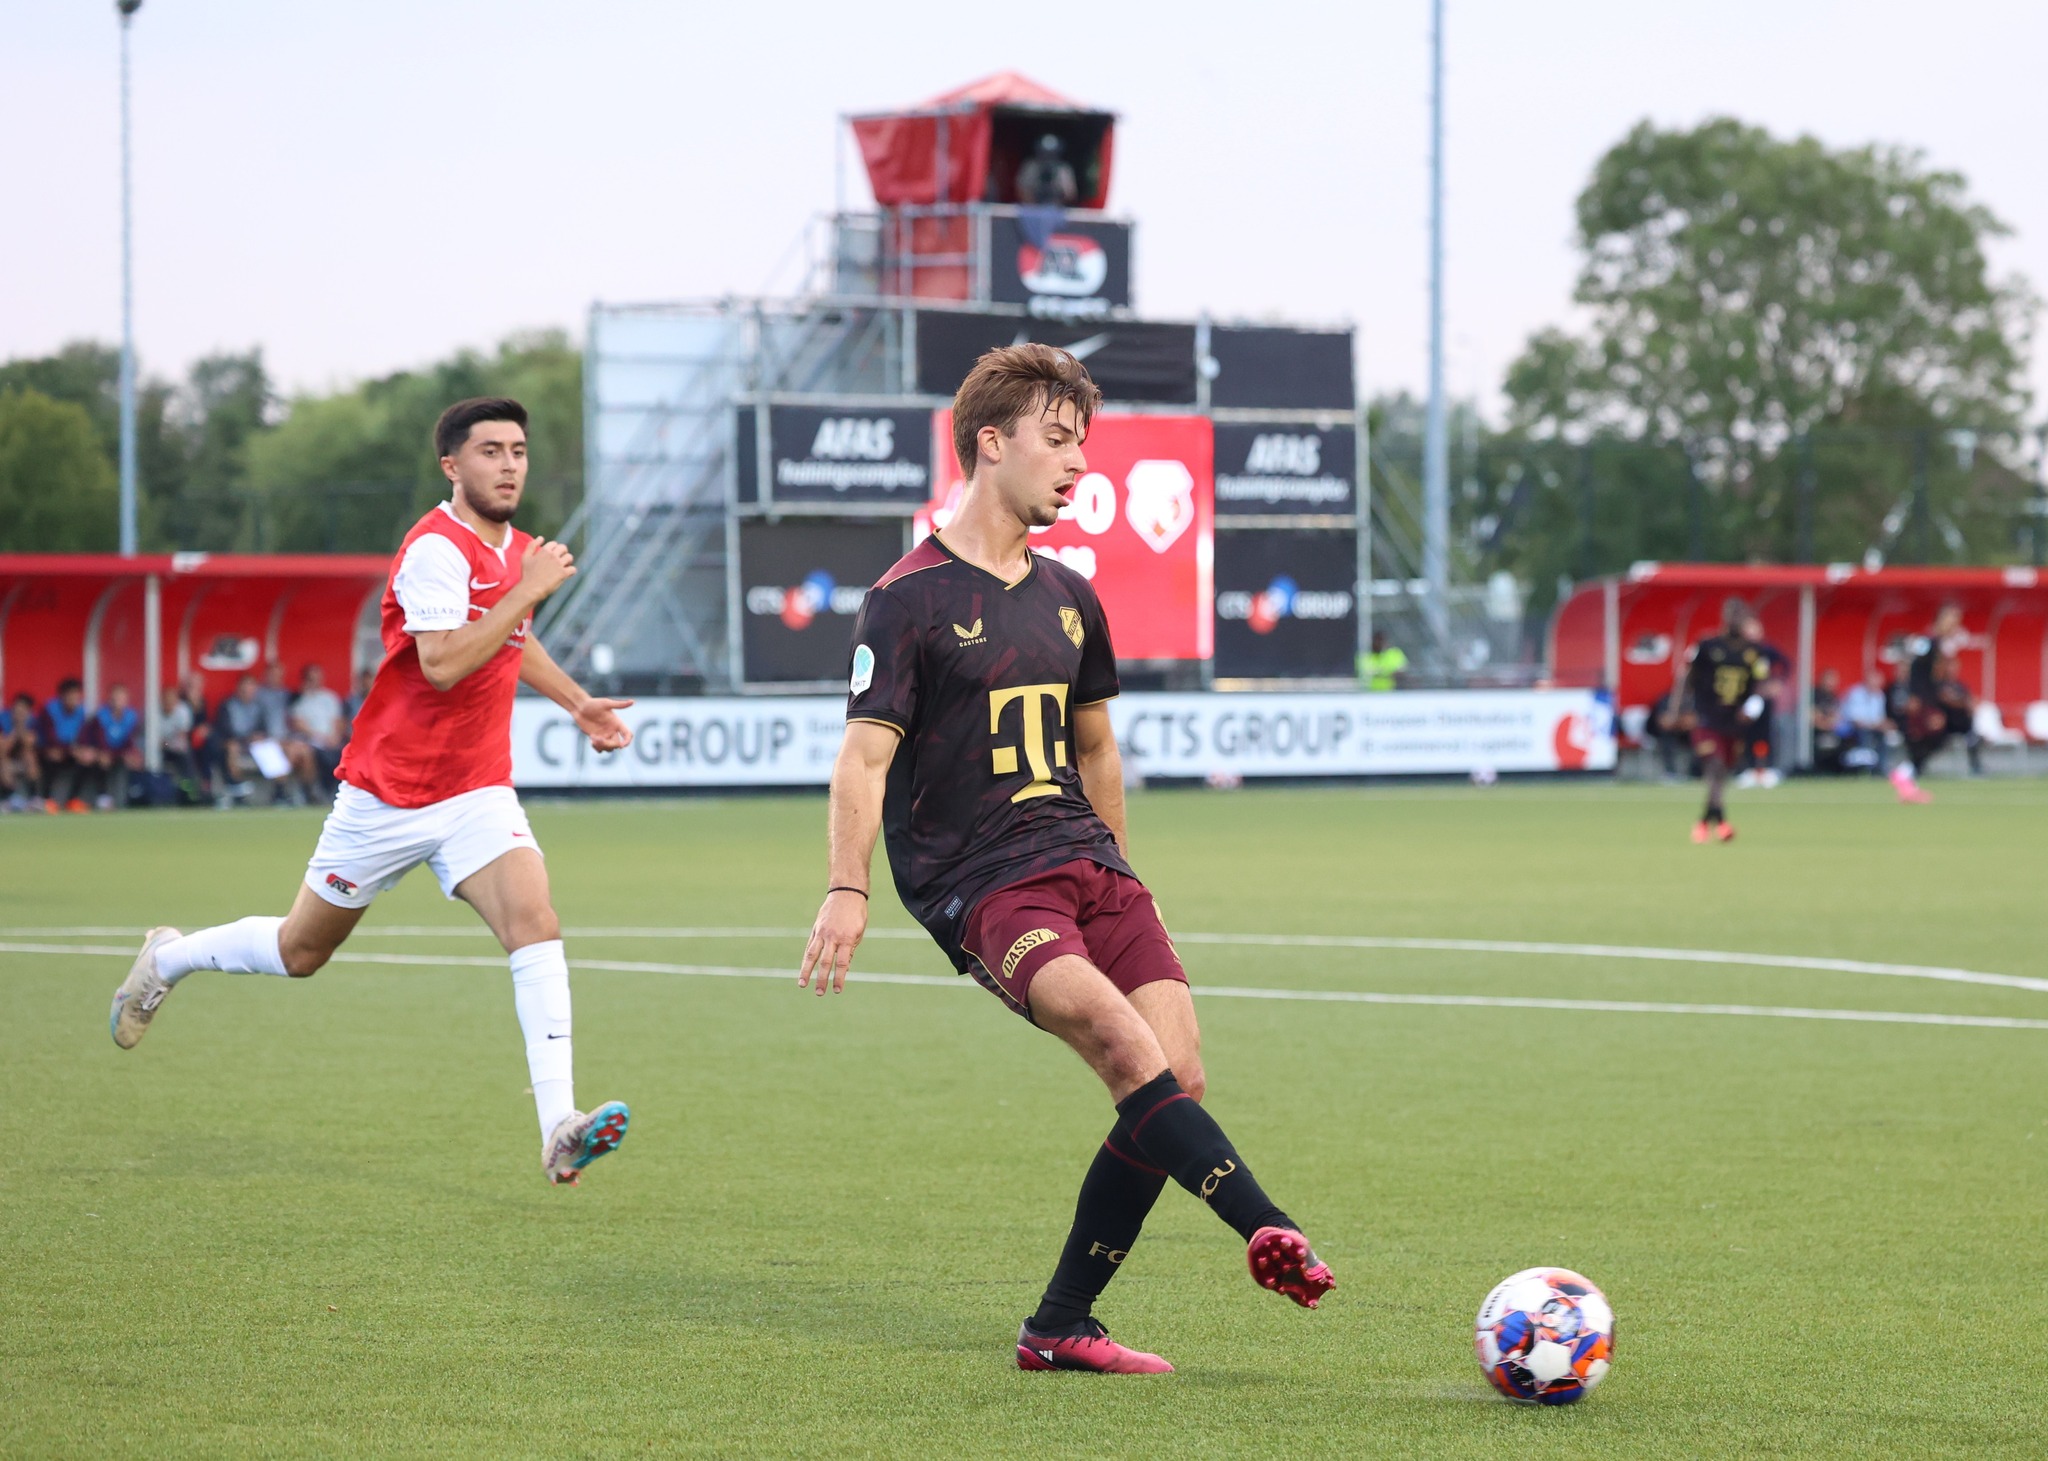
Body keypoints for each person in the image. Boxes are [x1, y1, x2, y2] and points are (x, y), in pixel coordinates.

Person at [800, 346, 1334, 1376]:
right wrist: (846, 887)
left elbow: (1093, 746)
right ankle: (1267, 1227)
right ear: (989, 443)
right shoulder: (904, 600)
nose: (1078, 461)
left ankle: (1056, 1328)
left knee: (1173, 1073)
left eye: (1082, 440)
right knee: (1119, 1046)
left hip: (1088, 862)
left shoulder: (1071, 594)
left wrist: (1123, 874)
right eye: (1057, 437)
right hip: (981, 882)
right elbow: (862, 759)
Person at [109, 397, 639, 1187]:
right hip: (388, 795)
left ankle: (559, 1125)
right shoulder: (435, 549)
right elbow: (445, 661)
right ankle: (171, 956)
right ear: (451, 466)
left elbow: (510, 644)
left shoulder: (518, 552)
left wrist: (576, 701)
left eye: (520, 450)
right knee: (301, 951)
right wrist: (525, 592)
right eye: (490, 451)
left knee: (535, 920)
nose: (509, 465)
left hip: (474, 791)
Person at [1681, 599, 1775, 843]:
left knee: (1721, 773)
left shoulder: (1754, 652)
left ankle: (1707, 821)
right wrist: (1682, 708)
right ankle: (1720, 825)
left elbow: (1762, 682)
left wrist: (1752, 706)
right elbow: (1688, 677)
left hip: (1733, 722)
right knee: (1714, 766)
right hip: (1707, 718)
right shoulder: (1708, 646)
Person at [83, 683, 145, 809]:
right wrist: (103, 752)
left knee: (135, 761)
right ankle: (103, 797)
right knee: (102, 760)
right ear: (110, 699)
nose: (118, 701)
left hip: (121, 752)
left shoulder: (131, 716)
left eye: (121, 698)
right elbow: (99, 739)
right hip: (103, 751)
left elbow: (130, 740)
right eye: (115, 698)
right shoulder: (101, 715)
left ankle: (134, 796)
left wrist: (131, 753)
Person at [35, 678, 92, 813]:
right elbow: (50, 738)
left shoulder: (81, 712)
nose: (74, 698)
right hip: (46, 749)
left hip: (70, 751)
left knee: (87, 759)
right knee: (53, 756)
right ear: (62, 696)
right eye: (70, 695)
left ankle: (73, 800)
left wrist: (82, 751)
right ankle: (47, 800)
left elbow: (83, 737)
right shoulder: (50, 710)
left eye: (76, 695)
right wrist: (70, 750)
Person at [289, 663, 348, 796]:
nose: (315, 681)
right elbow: (299, 724)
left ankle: (335, 791)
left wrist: (335, 737)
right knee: (307, 754)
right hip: (311, 741)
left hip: (331, 741)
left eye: (317, 677)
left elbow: (338, 721)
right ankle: (311, 792)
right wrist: (319, 737)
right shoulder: (300, 699)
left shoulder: (330, 697)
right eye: (311, 678)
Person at [1838, 668, 1892, 774]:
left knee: (1886, 735)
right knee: (1865, 734)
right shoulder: (1856, 693)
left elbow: (1879, 718)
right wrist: (1874, 725)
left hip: (1871, 728)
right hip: (1850, 728)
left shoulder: (1879, 695)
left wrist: (1885, 725)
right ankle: (1864, 768)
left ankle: (1881, 768)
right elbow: (1856, 720)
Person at [157, 683, 202, 800]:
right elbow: (153, 739)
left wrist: (166, 743)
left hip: (175, 748)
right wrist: (165, 744)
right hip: (158, 749)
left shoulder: (183, 711)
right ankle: (159, 793)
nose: (169, 704)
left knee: (186, 759)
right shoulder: (153, 713)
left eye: (172, 701)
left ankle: (190, 792)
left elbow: (181, 736)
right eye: (166, 700)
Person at [1, 690, 41, 812]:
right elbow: (3, 749)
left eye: (24, 709)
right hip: (4, 758)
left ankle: (34, 798)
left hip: (21, 759)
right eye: (18, 708)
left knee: (30, 757)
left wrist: (21, 726)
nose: (20, 712)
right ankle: (7, 798)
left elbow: (29, 744)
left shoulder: (32, 721)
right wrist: (15, 730)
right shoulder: (3, 719)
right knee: (4, 763)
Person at [1015, 133, 1079, 207]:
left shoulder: (1063, 169)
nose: (1047, 156)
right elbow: (1021, 191)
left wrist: (1056, 193)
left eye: (1052, 153)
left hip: (1058, 210)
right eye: (1044, 152)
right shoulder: (1030, 166)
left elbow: (1070, 195)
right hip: (1031, 210)